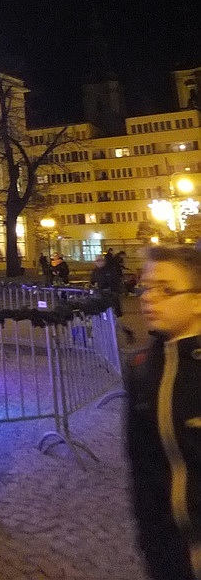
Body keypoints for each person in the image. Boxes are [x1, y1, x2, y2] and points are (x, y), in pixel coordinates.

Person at [125, 245, 201, 580]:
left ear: (198, 300)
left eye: (166, 289)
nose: (149, 297)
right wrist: (152, 544)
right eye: (146, 287)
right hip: (169, 554)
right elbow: (141, 466)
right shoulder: (142, 370)